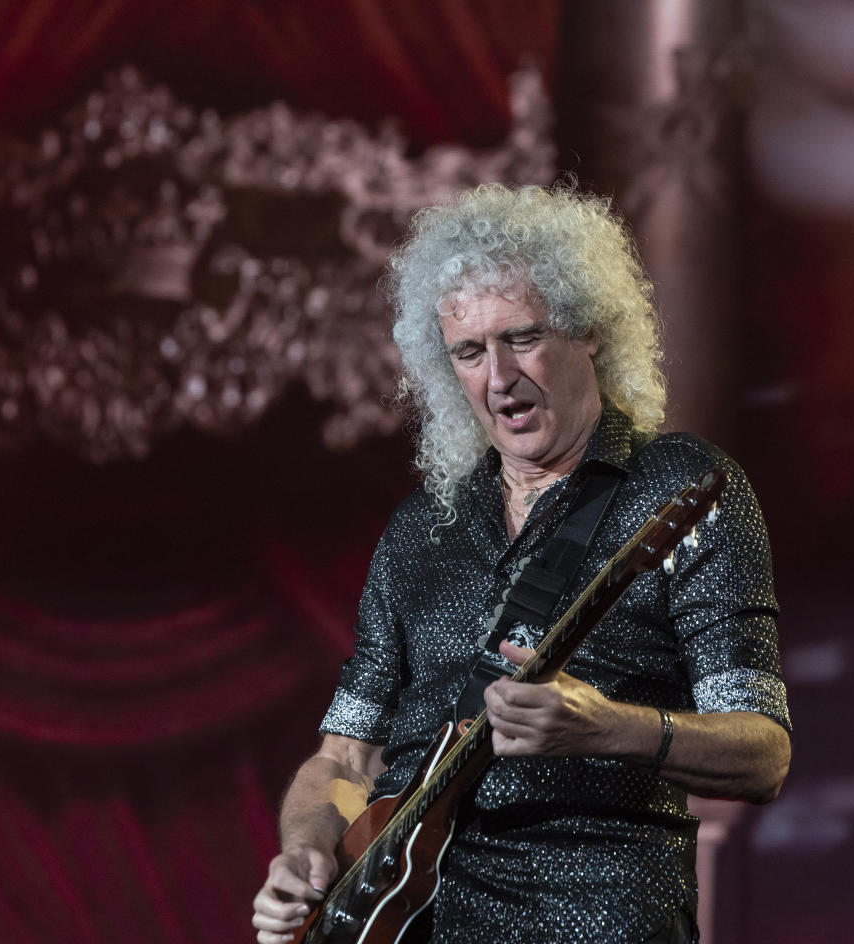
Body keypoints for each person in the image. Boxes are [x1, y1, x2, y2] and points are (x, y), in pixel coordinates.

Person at [252, 184, 791, 944]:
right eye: (469, 353)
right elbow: (344, 754)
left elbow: (763, 752)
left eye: (523, 338)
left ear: (591, 331)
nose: (498, 377)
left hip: (597, 916)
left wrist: (606, 728)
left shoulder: (679, 487)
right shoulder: (419, 531)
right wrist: (305, 851)